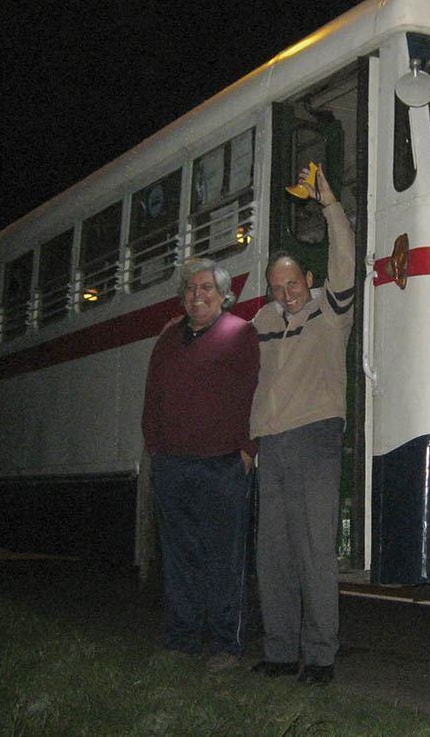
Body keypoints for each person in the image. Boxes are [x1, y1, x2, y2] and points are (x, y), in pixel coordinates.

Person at [250, 164, 354, 685]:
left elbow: (344, 259)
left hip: (315, 438)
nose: (286, 294)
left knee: (314, 550)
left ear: (307, 281)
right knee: (273, 554)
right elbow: (229, 352)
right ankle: (278, 651)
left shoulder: (330, 313)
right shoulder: (263, 323)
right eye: (277, 288)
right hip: (272, 444)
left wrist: (329, 204)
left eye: (292, 284)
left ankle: (320, 658)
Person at [141, 257, 259, 671]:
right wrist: (155, 447)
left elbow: (254, 395)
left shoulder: (241, 333)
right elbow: (152, 395)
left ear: (224, 294)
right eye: (190, 288)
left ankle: (227, 646)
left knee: (224, 561)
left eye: (206, 288)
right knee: (178, 559)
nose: (197, 295)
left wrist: (247, 450)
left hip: (223, 465)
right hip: (172, 464)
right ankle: (182, 640)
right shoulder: (169, 338)